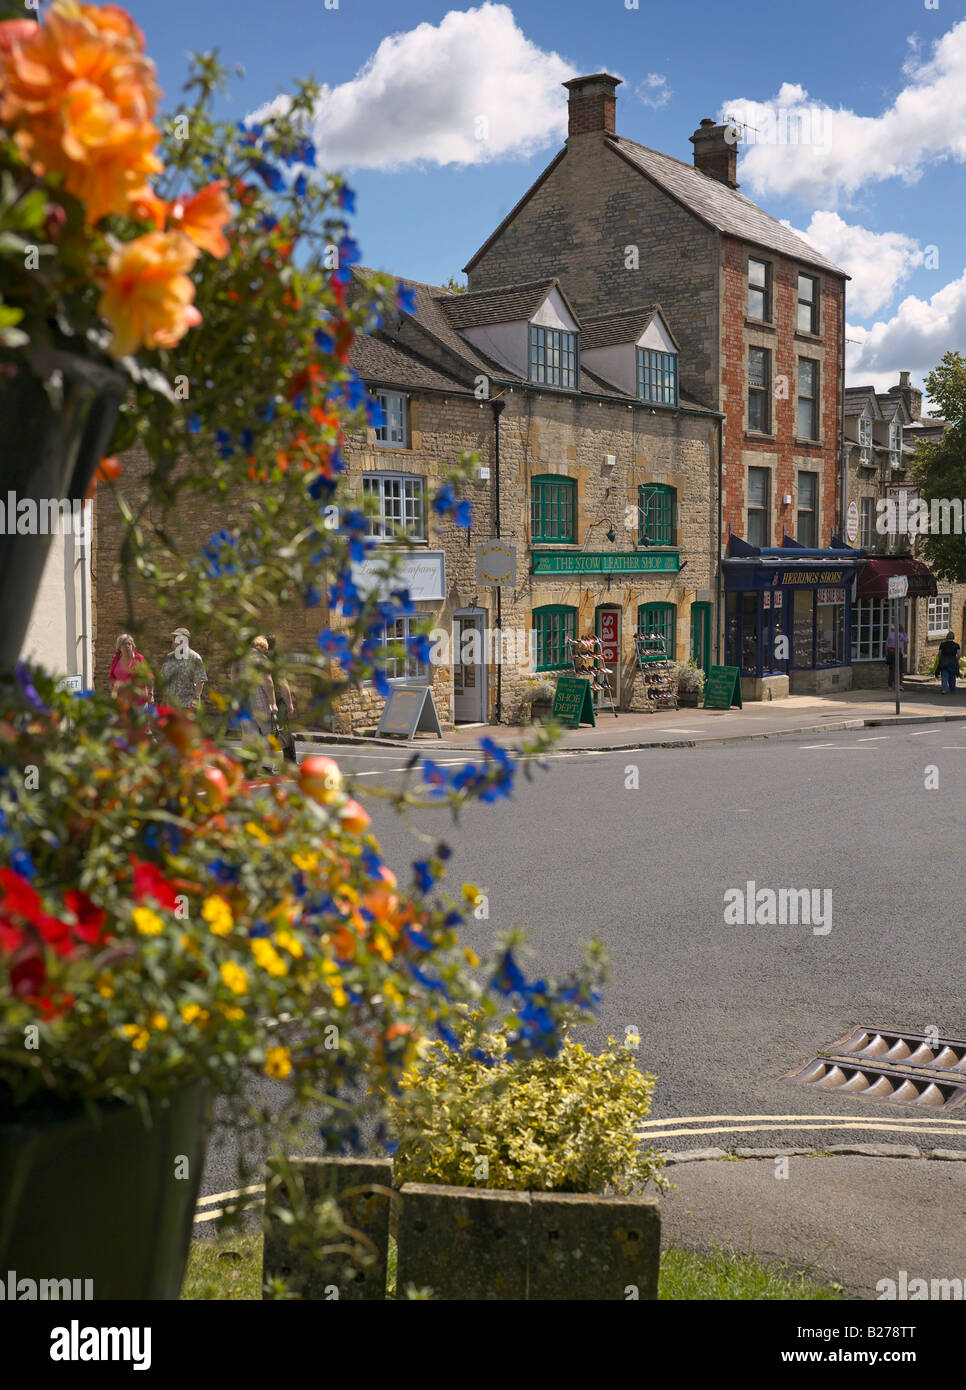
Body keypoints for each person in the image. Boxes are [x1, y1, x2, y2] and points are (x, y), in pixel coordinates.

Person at [230, 636, 278, 771]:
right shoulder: (261, 659)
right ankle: (267, 766)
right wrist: (273, 702)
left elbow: (233, 679)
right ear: (262, 647)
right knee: (268, 731)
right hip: (260, 699)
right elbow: (267, 682)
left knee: (248, 733)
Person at [266, 634, 298, 764]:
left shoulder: (261, 658)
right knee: (284, 729)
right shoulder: (276, 659)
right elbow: (283, 681)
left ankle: (266, 763)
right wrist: (290, 702)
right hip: (278, 697)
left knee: (267, 731)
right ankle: (290, 761)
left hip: (263, 699)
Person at [158, 627, 207, 710]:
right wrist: (163, 701)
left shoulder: (195, 658)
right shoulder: (169, 657)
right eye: (175, 639)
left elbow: (200, 680)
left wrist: (196, 699)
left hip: (187, 705)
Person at [109, 633, 152, 705]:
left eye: (129, 644)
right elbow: (112, 678)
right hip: (121, 701)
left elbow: (149, 677)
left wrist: (151, 694)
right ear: (119, 647)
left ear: (133, 646)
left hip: (138, 700)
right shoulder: (116, 659)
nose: (127, 646)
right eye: (124, 644)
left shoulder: (139, 658)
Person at [938, 629, 961, 694]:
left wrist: (941, 660)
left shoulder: (942, 644)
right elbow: (959, 654)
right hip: (953, 662)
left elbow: (939, 654)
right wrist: (956, 660)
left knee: (944, 676)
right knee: (952, 676)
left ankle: (944, 690)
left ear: (947, 637)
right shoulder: (956, 645)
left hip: (944, 661)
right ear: (953, 637)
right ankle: (953, 690)